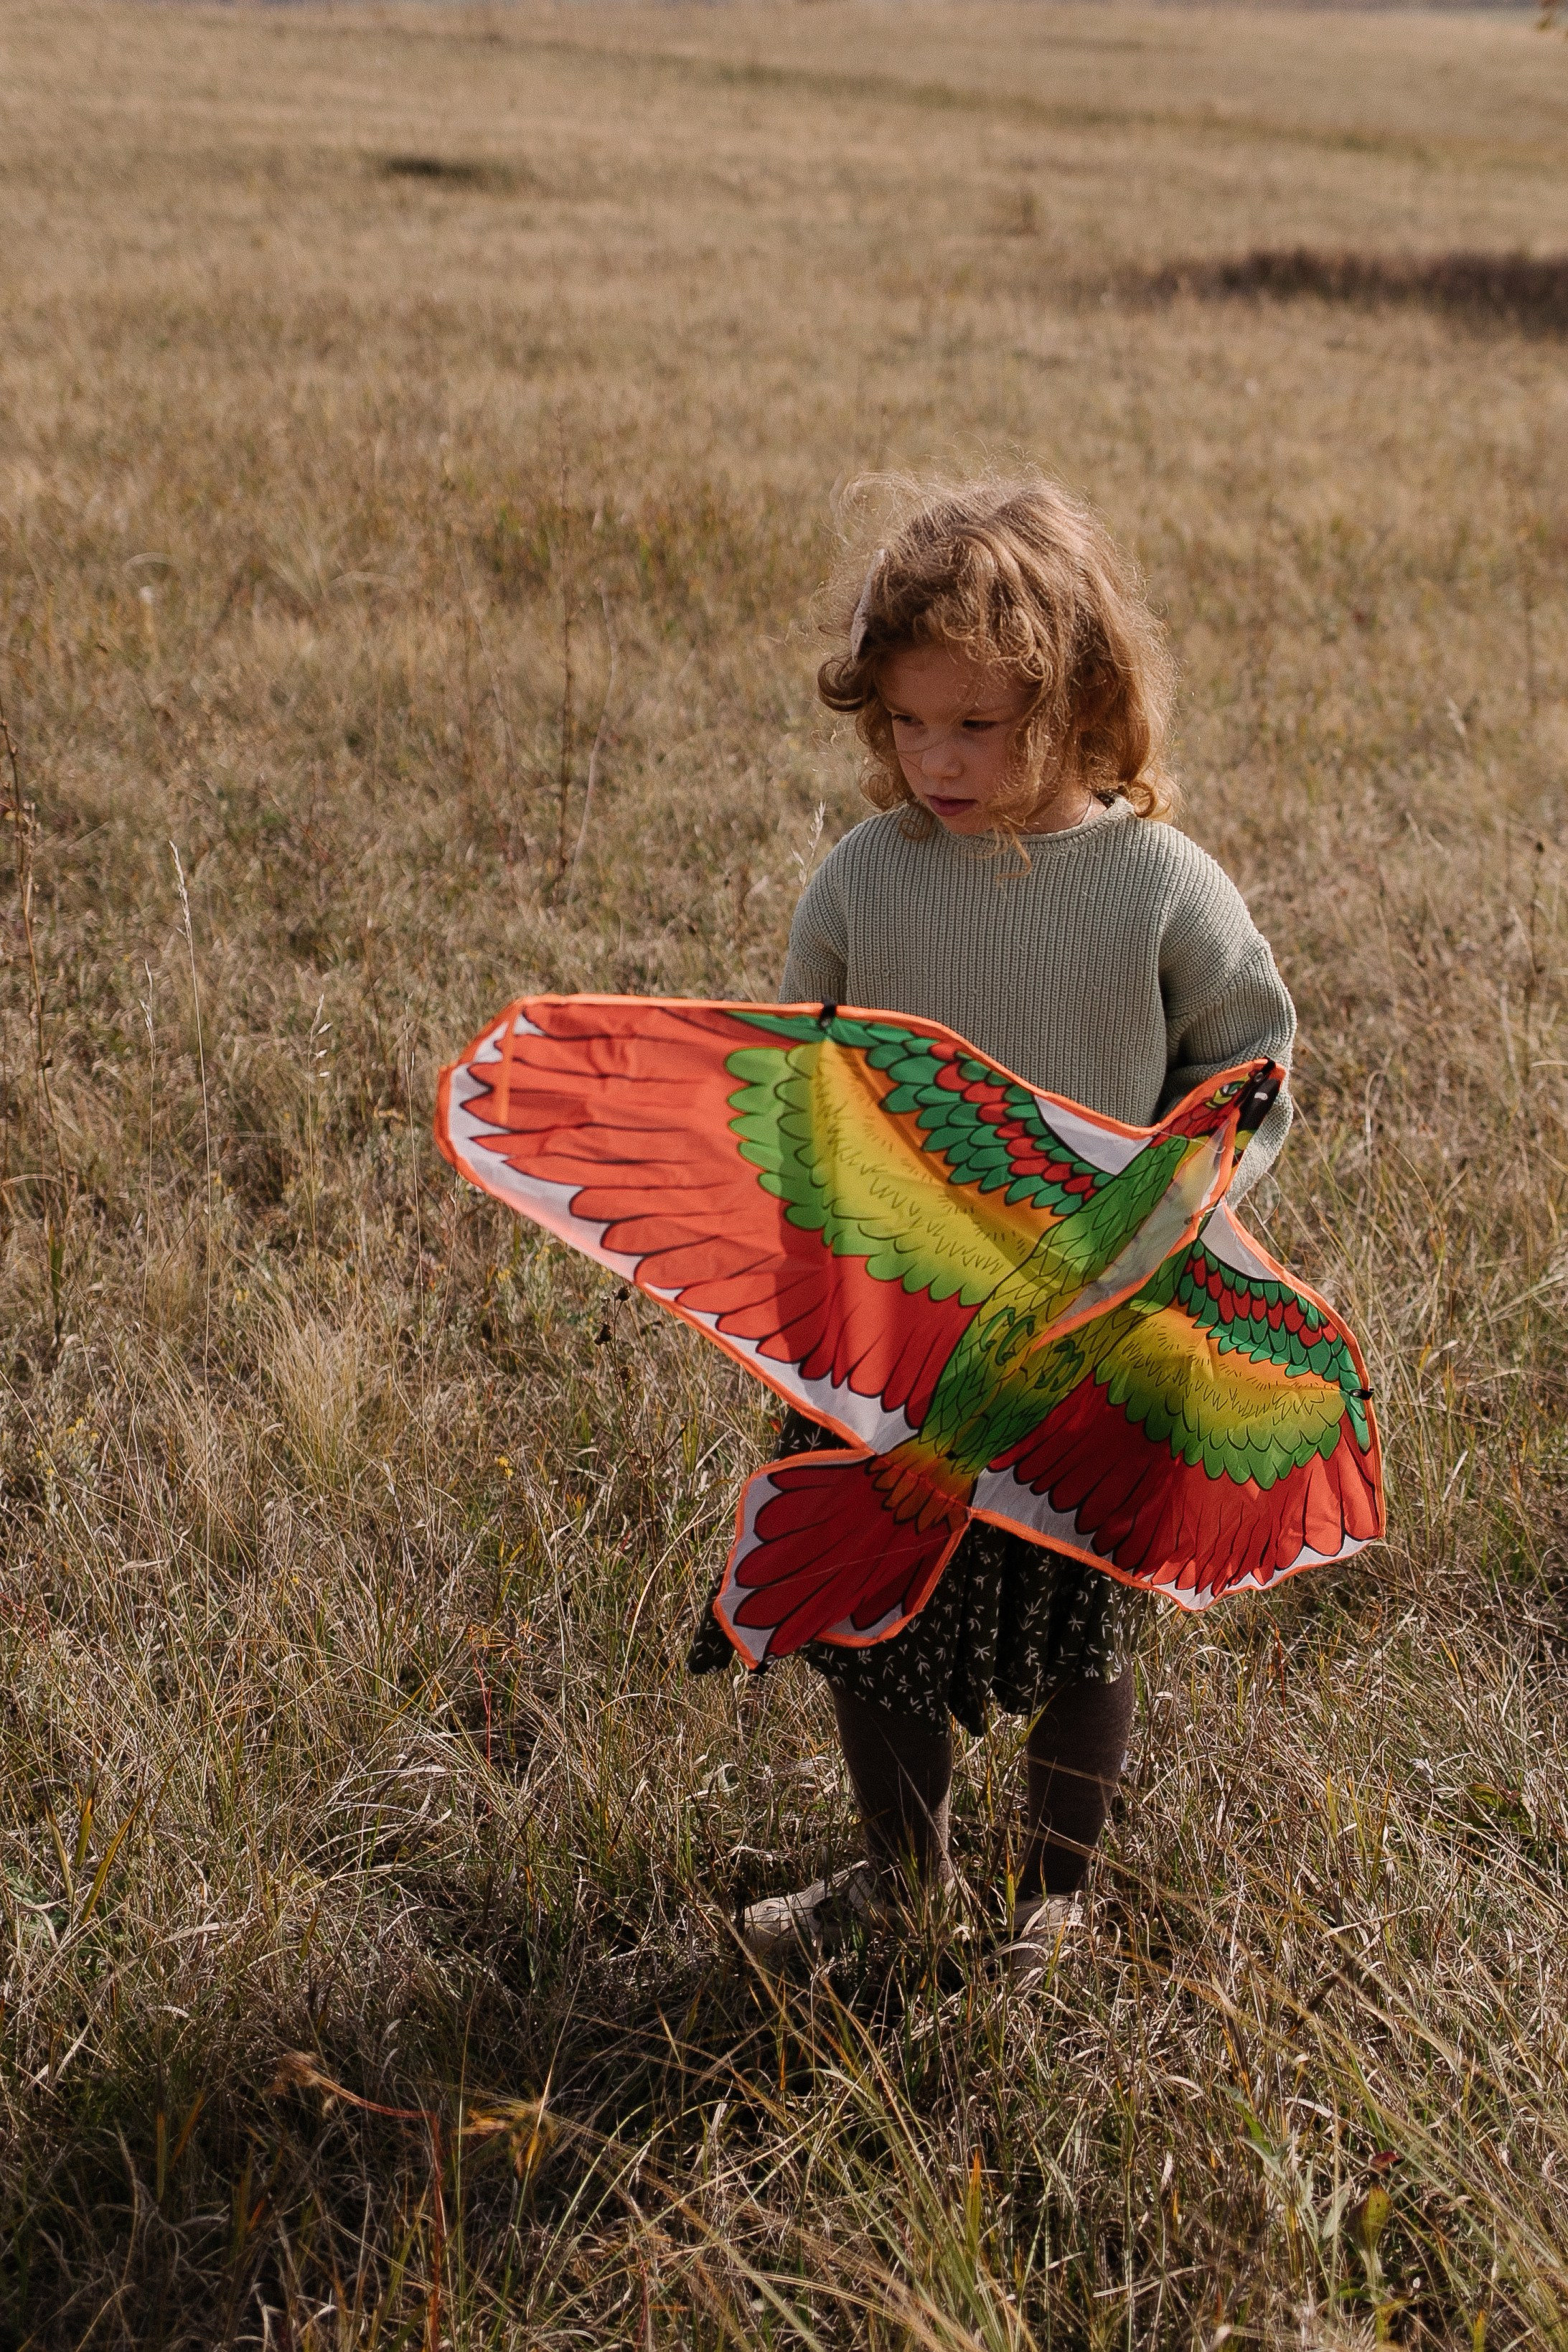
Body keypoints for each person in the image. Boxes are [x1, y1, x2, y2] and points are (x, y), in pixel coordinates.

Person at [686, 473, 1295, 1979]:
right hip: (892, 1334)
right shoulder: (864, 879)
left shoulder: (1158, 884)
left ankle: (1056, 1895)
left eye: (977, 724)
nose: (934, 759)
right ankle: (904, 1875)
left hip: (1098, 1326)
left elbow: (1245, 1063)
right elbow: (804, 1088)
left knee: (1080, 1627)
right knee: (870, 1616)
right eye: (907, 723)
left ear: (1082, 700)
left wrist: (1188, 1207)